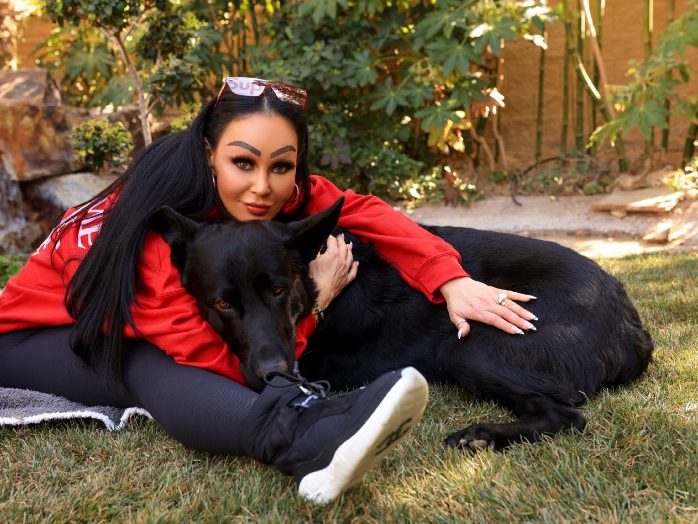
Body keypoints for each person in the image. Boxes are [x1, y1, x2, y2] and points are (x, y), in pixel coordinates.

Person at [0, 77, 537, 503]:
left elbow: (361, 211)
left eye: (281, 166)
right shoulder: (155, 246)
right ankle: (305, 440)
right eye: (243, 163)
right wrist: (317, 304)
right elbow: (214, 364)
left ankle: (312, 420)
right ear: (208, 152)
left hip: (89, 322)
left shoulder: (248, 190)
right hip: (28, 340)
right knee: (146, 363)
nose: (263, 187)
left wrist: (452, 279)